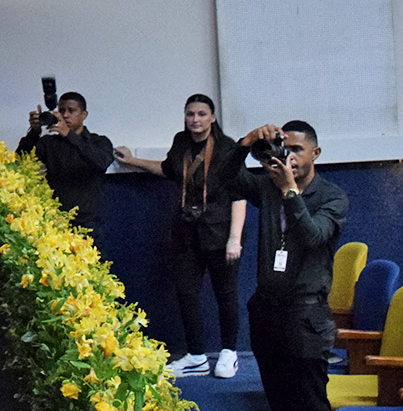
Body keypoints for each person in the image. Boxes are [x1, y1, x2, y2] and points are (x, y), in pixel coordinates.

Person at [219, 120, 347, 411]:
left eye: (296, 150)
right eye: (283, 147)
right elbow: (223, 176)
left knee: (310, 406)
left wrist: (291, 190)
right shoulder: (267, 186)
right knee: (279, 398)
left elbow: (313, 236)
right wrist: (245, 143)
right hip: (268, 309)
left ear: (315, 154)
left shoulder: (333, 197)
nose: (287, 156)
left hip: (306, 314)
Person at [116, 95, 248, 378]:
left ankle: (229, 353)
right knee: (186, 292)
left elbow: (239, 195)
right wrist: (133, 161)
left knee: (225, 293)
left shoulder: (227, 148)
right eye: (190, 114)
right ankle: (197, 356)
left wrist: (234, 239)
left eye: (201, 114)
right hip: (187, 231)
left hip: (220, 231)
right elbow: (168, 170)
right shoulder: (181, 142)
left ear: (213, 117)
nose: (195, 120)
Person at [17, 91, 115, 233]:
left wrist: (70, 135)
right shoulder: (49, 143)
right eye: (61, 110)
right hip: (54, 219)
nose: (66, 115)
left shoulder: (99, 141)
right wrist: (34, 132)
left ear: (84, 115)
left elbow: (101, 162)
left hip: (89, 221)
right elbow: (22, 159)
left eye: (71, 110)